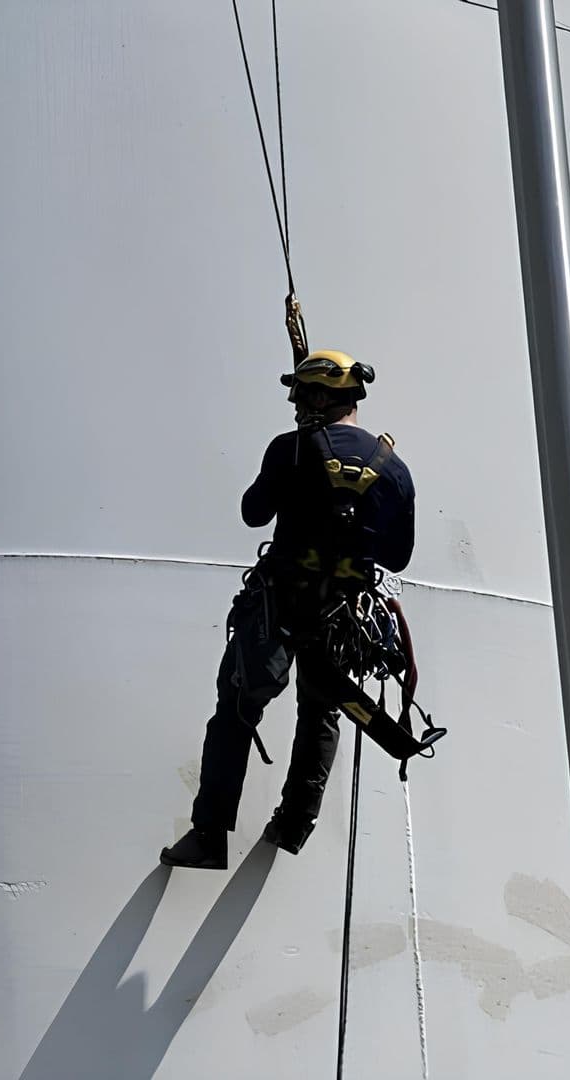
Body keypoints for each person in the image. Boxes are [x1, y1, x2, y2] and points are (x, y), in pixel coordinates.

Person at [161, 350, 415, 870]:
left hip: (280, 604)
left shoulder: (289, 450)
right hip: (344, 616)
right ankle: (294, 824)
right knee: (321, 713)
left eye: (302, 396)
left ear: (322, 397)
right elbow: (397, 556)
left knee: (237, 705)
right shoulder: (395, 469)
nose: (297, 406)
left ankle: (209, 834)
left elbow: (253, 514)